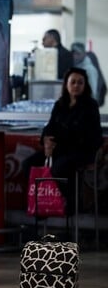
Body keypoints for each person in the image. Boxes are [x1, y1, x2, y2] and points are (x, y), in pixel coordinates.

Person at [23, 67, 103, 216]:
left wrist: (56, 142)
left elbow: (88, 135)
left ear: (85, 85)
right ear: (66, 84)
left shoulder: (90, 105)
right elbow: (49, 127)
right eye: (73, 82)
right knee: (28, 164)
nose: (76, 86)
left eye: (80, 83)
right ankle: (38, 206)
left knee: (59, 168)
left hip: (81, 151)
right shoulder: (60, 104)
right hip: (58, 150)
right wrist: (46, 141)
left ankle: (70, 204)